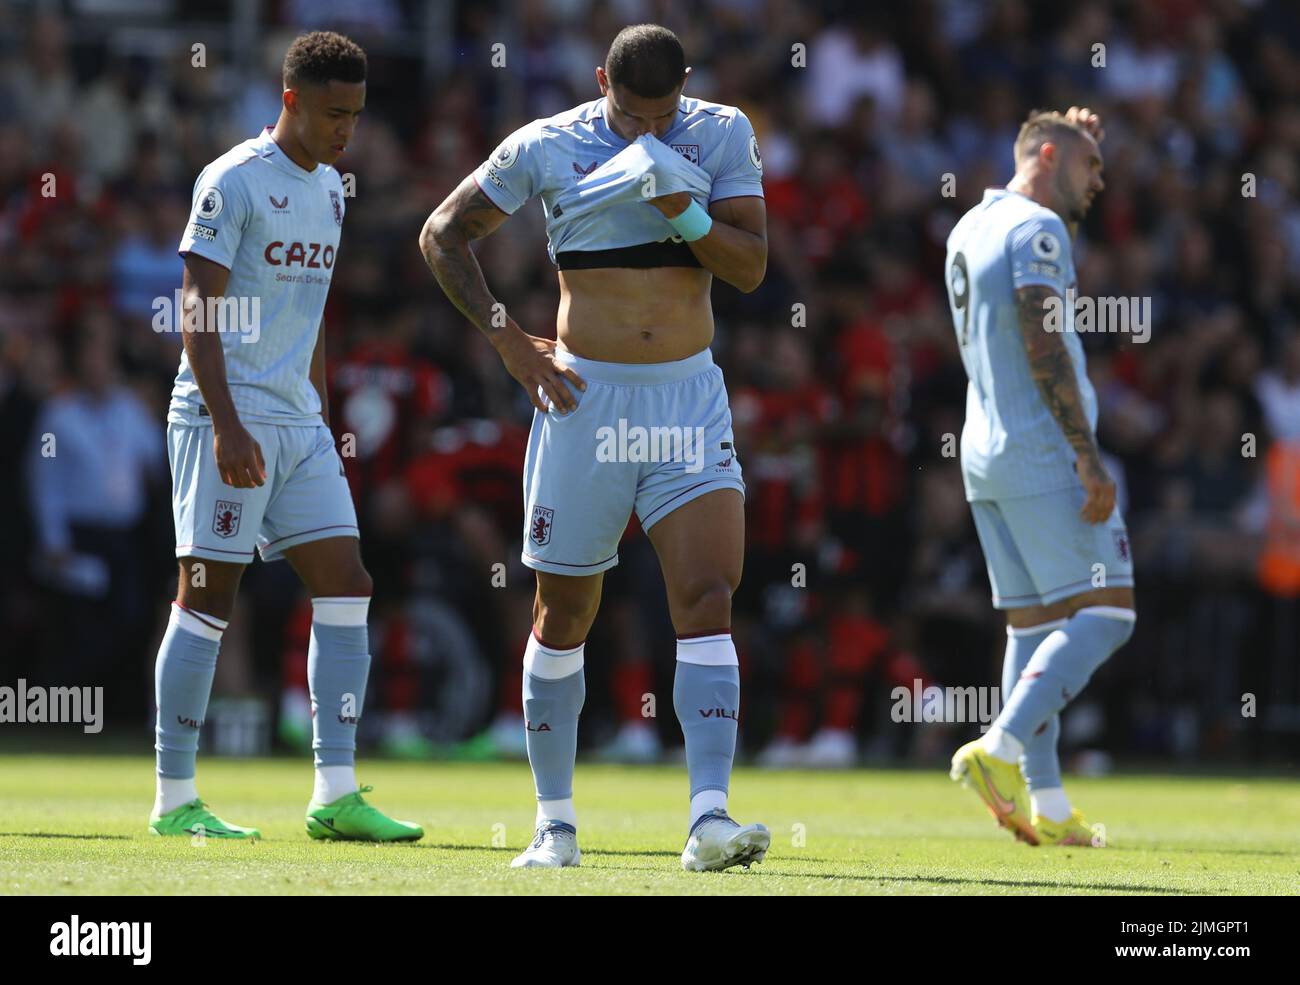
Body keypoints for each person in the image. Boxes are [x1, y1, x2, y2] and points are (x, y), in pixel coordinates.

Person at [420, 23, 770, 871]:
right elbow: (442, 233)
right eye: (630, 110)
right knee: (565, 612)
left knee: (707, 593)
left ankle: (708, 820)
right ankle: (555, 826)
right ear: (599, 79)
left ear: (687, 85)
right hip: (585, 396)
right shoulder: (550, 143)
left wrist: (679, 207)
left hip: (685, 393)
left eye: (664, 111)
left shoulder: (721, 131)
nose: (649, 129)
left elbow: (751, 265)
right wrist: (509, 341)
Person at [151, 31, 420, 842]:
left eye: (358, 117)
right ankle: (174, 797)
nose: (347, 132)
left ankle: (334, 789)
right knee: (205, 598)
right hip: (221, 415)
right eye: (335, 114)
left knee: (348, 582)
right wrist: (229, 422)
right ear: (291, 98)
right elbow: (197, 308)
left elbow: (312, 315)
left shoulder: (334, 191)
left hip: (298, 423)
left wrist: (325, 415)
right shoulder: (232, 182)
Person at [944, 107, 1136, 846]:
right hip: (1042, 448)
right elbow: (1043, 337)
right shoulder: (1037, 232)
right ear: (1050, 156)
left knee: (1036, 624)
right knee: (1110, 613)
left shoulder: (974, 226)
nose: (1100, 181)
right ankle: (998, 748)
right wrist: (1087, 455)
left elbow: (1030, 273)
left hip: (983, 449)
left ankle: (1049, 805)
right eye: (1090, 167)